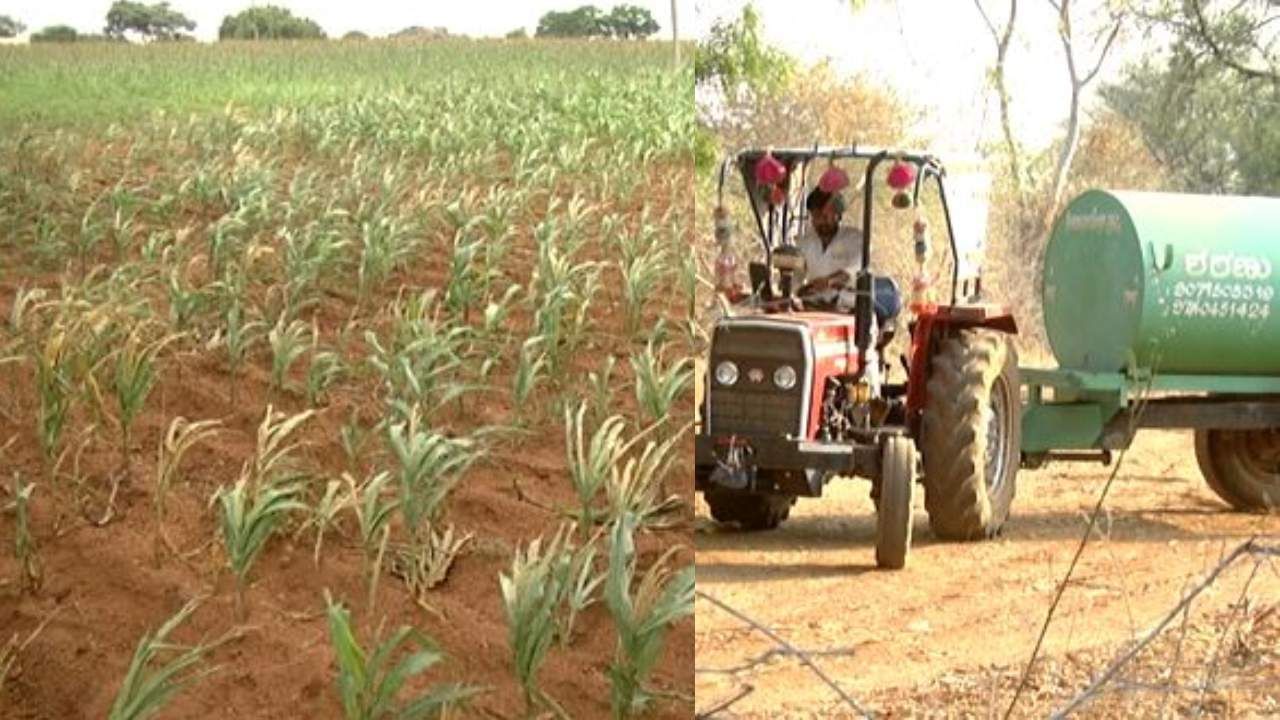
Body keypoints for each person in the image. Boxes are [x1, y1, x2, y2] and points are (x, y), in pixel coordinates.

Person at [795, 185, 901, 324]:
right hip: (813, 308)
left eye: (825, 216)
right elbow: (796, 277)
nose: (820, 222)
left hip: (850, 311)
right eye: (816, 216)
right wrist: (795, 292)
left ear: (838, 216)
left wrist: (829, 282)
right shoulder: (806, 242)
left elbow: (853, 270)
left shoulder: (856, 239)